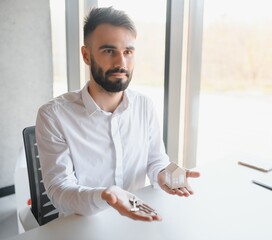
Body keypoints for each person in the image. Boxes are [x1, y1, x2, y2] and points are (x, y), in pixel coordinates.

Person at [36, 6, 200, 222]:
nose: (121, 63)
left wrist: (165, 175)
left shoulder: (144, 106)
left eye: (128, 52)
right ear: (86, 55)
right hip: (82, 225)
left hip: (139, 219)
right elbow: (59, 192)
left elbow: (155, 161)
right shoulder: (53, 116)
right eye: (108, 51)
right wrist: (106, 196)